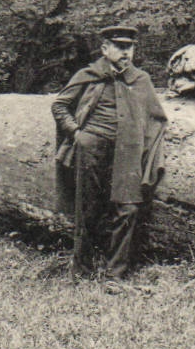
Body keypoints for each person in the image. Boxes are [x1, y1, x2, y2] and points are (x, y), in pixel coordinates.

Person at [52, 25, 168, 288]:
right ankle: (81, 272)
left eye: (130, 47)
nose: (126, 52)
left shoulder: (141, 80)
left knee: (128, 208)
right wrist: (77, 133)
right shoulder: (88, 75)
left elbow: (156, 117)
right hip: (91, 147)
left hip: (128, 151)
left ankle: (115, 275)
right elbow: (59, 105)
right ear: (105, 49)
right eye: (119, 47)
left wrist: (147, 148)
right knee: (87, 208)